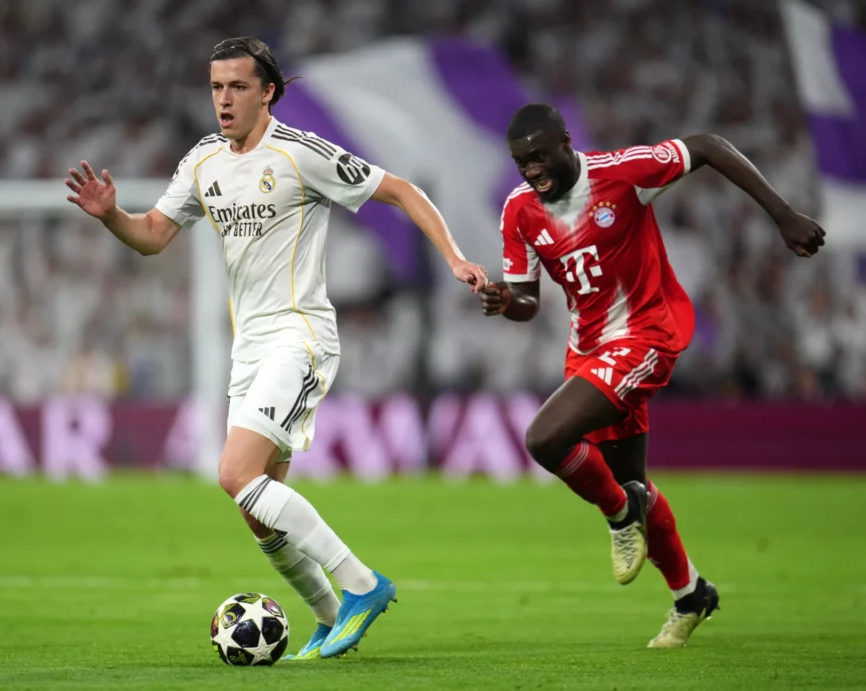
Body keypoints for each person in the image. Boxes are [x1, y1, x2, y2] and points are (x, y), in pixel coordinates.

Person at [65, 37, 488, 661]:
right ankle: (324, 614)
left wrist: (453, 257)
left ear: (267, 91)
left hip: (300, 335)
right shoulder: (204, 160)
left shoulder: (300, 154)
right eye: (215, 87)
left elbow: (399, 190)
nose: (224, 100)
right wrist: (111, 216)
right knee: (258, 509)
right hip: (250, 347)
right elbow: (153, 235)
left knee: (234, 474)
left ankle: (362, 586)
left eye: (237, 86)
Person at [479, 104, 824, 648]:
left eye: (540, 156)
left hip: (645, 335)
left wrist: (782, 214)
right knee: (638, 487)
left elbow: (707, 144)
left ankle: (618, 513)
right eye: (522, 161)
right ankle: (691, 594)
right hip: (588, 351)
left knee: (545, 438)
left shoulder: (622, 173)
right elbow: (527, 300)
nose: (532, 170)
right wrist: (506, 300)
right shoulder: (519, 210)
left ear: (566, 142)